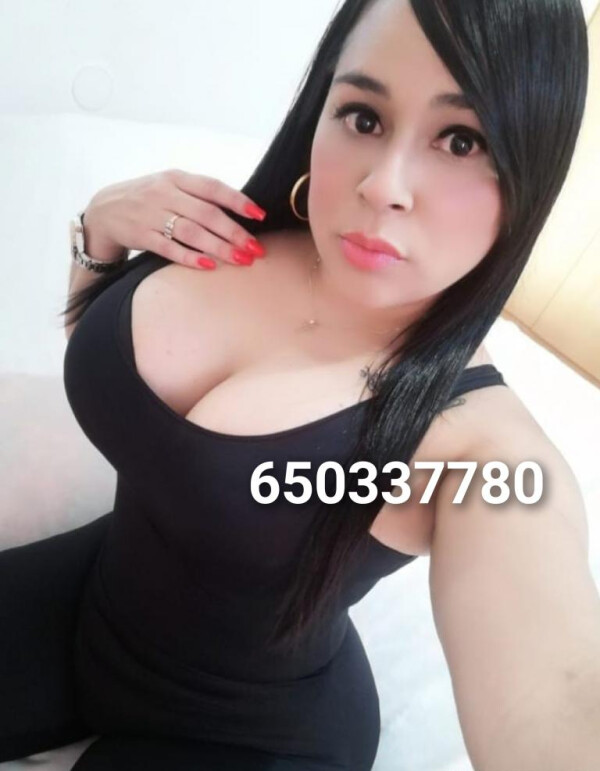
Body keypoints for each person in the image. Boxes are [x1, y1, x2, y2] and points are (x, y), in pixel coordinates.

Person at [2, 0, 599, 769]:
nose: (384, 185)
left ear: (531, 170)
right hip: (90, 602)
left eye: (462, 140)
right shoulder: (233, 234)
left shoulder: (478, 442)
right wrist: (99, 231)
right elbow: (100, 364)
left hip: (252, 737)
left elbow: (557, 697)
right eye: (363, 116)